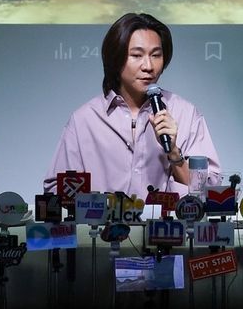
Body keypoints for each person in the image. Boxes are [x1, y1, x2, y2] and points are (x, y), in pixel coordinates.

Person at [46, 12, 221, 196]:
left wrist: (175, 155)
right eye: (137, 55)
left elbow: (209, 192)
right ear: (115, 59)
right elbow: (55, 191)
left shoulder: (185, 114)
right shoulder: (85, 119)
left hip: (166, 216)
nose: (148, 66)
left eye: (156, 55)